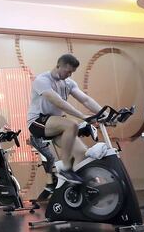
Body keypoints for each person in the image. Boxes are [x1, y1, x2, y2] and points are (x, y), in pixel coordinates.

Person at [26, 54, 102, 184]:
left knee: (82, 153)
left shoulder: (69, 83)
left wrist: (103, 113)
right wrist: (83, 116)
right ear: (58, 66)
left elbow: (86, 100)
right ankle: (65, 168)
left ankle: (79, 186)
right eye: (68, 71)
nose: (69, 75)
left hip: (56, 123)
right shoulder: (42, 80)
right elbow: (59, 102)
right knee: (72, 124)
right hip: (37, 122)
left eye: (72, 72)